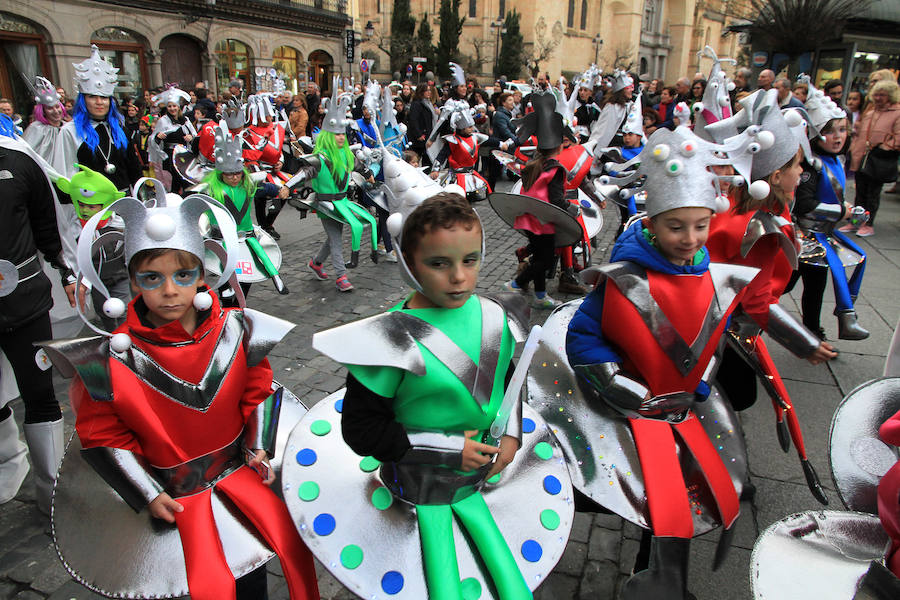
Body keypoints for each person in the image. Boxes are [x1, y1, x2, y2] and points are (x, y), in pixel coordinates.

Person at [47, 183, 320, 600]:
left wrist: (260, 443)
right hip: (175, 498)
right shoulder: (113, 358)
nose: (170, 290)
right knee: (201, 581)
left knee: (251, 570)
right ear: (134, 282)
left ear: (201, 275)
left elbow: (258, 388)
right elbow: (102, 433)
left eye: (183, 275)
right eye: (152, 278)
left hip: (239, 477)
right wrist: (146, 491)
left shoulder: (235, 330)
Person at [566, 124, 763, 600]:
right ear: (652, 224)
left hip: (687, 406)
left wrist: (698, 386)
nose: (690, 238)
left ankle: (663, 581)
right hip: (635, 408)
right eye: (676, 227)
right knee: (650, 492)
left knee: (689, 490)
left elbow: (709, 341)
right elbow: (582, 338)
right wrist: (629, 394)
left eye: (701, 226)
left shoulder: (711, 273)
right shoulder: (623, 279)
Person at [315, 193, 534, 600]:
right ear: (409, 264)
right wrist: (449, 448)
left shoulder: (495, 315)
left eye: (470, 260)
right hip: (416, 486)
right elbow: (362, 428)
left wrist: (511, 434)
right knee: (440, 584)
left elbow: (509, 378)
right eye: (439, 264)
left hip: (480, 477)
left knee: (509, 582)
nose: (459, 278)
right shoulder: (389, 337)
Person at [0, 115, 74, 514]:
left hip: (25, 300)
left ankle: (51, 490)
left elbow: (47, 224)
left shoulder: (19, 160)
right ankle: (6, 469)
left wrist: (64, 270)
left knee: (40, 392)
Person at [790, 80, 869, 340]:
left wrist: (851, 212)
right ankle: (746, 314)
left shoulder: (836, 161)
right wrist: (840, 212)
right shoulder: (811, 165)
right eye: (830, 131)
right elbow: (804, 205)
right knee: (783, 283)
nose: (837, 137)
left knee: (816, 286)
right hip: (803, 238)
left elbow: (834, 197)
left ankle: (815, 330)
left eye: (842, 130)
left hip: (823, 237)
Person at [502, 92, 578, 309]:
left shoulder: (535, 163)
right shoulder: (555, 169)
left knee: (539, 257)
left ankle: (540, 295)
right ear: (560, 145)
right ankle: (516, 283)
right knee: (544, 261)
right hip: (543, 221)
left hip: (530, 218)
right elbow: (556, 200)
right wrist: (572, 210)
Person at [302, 80, 376, 291]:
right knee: (336, 239)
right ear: (328, 136)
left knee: (333, 236)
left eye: (343, 134)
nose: (341, 138)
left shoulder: (346, 154)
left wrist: (369, 175)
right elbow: (305, 172)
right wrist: (288, 186)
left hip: (343, 203)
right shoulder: (320, 157)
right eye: (337, 135)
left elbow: (359, 165)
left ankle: (316, 262)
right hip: (325, 205)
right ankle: (341, 277)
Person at [200, 123, 290, 297]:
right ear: (221, 174)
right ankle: (227, 292)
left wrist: (281, 189)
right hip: (222, 239)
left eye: (237, 173)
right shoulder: (211, 190)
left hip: (246, 235)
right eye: (229, 174)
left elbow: (265, 187)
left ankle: (275, 278)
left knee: (256, 259)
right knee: (226, 268)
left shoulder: (247, 186)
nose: (234, 177)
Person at [59, 45, 141, 194]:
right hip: (92, 204)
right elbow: (66, 174)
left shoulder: (120, 128)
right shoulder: (69, 132)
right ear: (83, 100)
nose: (99, 102)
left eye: (104, 97)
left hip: (124, 199)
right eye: (92, 97)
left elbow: (133, 166)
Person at [843, 79, 900, 237]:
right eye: (876, 94)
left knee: (872, 194)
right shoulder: (870, 112)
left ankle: (868, 223)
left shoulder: (896, 113)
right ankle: (855, 222)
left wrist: (884, 147)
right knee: (860, 192)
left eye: (882, 95)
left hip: (879, 159)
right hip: (862, 157)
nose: (878, 98)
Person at [148, 85, 195, 194]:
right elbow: (152, 139)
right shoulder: (163, 121)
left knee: (186, 181)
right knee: (174, 181)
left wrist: (191, 138)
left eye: (174, 106)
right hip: (170, 156)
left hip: (184, 155)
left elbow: (194, 134)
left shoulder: (185, 120)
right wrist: (157, 137)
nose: (172, 108)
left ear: (178, 106)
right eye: (169, 106)